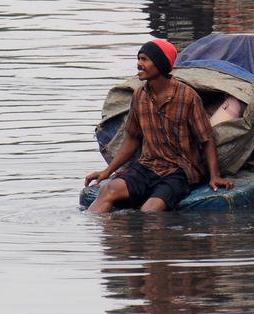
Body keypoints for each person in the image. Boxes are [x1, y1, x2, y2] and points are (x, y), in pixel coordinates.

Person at [84, 39, 234, 212]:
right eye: (138, 59)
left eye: (145, 59)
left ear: (160, 64)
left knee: (150, 211)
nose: (139, 64)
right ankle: (98, 235)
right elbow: (132, 138)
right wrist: (107, 171)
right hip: (147, 167)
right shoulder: (139, 96)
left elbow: (206, 140)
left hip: (178, 172)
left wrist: (214, 176)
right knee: (107, 191)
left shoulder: (187, 97)